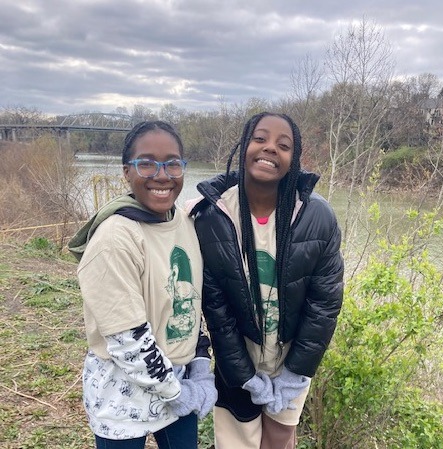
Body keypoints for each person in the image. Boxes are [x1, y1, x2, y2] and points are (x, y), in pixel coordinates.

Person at [189, 112, 344, 449]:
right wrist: (243, 375)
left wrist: (295, 372)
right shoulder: (210, 215)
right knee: (237, 443)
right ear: (244, 145)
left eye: (283, 145)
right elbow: (215, 309)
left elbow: (324, 304)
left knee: (279, 441)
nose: (270, 148)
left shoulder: (318, 217)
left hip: (291, 358)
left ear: (294, 158)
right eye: (260, 139)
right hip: (236, 361)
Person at [68, 121, 216, 449]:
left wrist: (201, 362)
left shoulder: (184, 222)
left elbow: (190, 301)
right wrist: (178, 393)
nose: (162, 175)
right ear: (126, 172)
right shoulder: (115, 238)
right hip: (123, 397)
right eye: (146, 163)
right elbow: (128, 340)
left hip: (180, 381)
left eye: (173, 163)